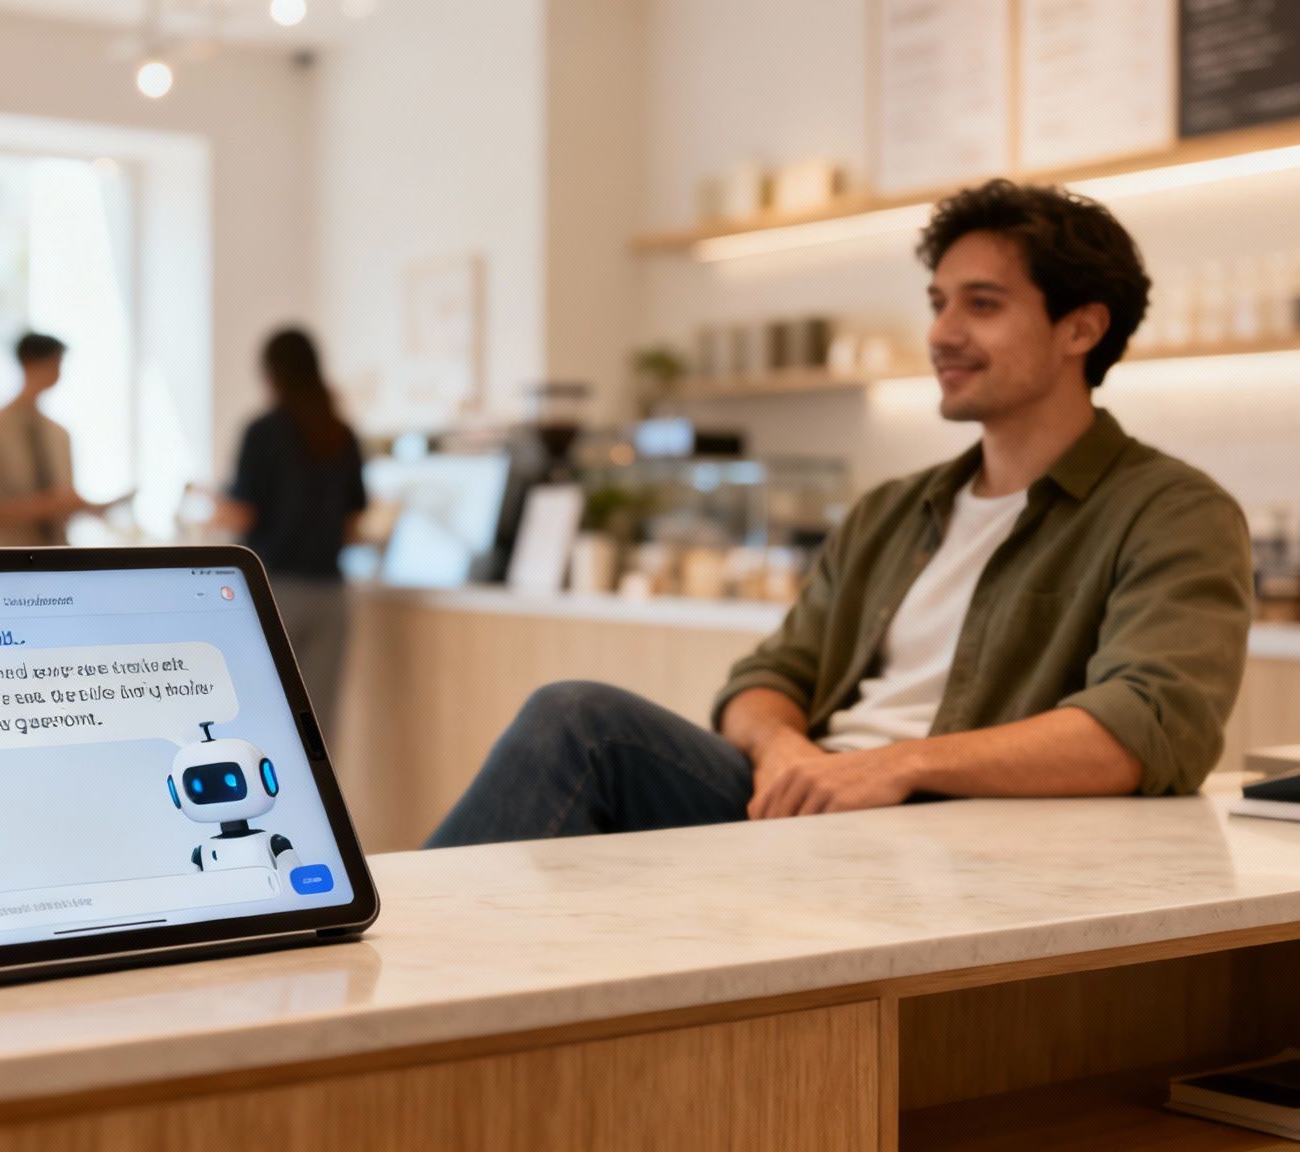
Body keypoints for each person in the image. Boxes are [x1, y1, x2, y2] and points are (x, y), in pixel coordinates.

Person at [427, 179, 1254, 848]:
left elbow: (1150, 727)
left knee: (582, 723)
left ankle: (404, 999)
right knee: (579, 742)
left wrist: (896, 766)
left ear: (1082, 328)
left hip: (949, 830)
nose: (942, 332)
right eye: (937, 302)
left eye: (982, 304)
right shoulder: (893, 512)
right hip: (815, 806)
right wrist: (782, 746)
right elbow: (765, 680)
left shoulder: (1172, 512)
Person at [210, 328, 367, 725]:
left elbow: (244, 513)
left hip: (271, 589)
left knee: (262, 714)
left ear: (271, 373)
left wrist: (213, 507)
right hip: (330, 594)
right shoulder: (341, 433)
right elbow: (353, 521)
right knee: (317, 724)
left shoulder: (263, 431)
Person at [0, 332, 107, 547]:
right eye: (56, 363)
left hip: (58, 560)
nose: (59, 372)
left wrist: (84, 507)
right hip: (6, 564)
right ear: (31, 363)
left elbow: (64, 502)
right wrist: (52, 504)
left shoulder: (59, 434)